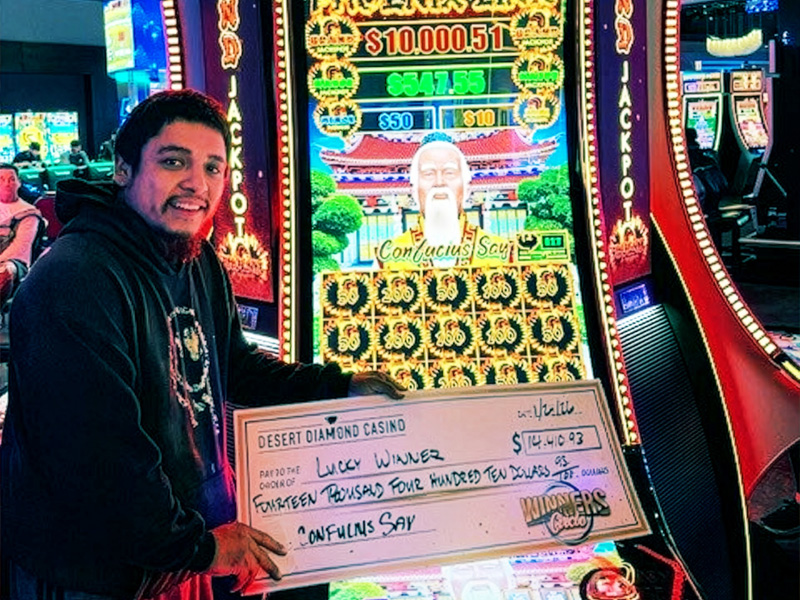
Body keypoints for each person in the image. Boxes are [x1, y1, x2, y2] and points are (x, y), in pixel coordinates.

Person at [0, 90, 404, 600]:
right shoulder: (75, 277)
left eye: (213, 167)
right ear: (123, 169)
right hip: (97, 571)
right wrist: (200, 548)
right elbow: (101, 457)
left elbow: (233, 367)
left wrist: (340, 387)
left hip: (180, 548)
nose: (198, 183)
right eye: (174, 162)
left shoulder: (194, 257)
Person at [375, 134, 512, 269]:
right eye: (428, 174)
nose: (439, 182)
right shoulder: (389, 257)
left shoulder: (499, 252)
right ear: (414, 190)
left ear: (467, 188)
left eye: (449, 173)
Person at [0, 164, 45, 305]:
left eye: (11, 179)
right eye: (1, 179)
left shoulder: (28, 212)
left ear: (19, 182)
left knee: (5, 271)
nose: (7, 184)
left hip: (14, 263)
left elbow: (19, 249)